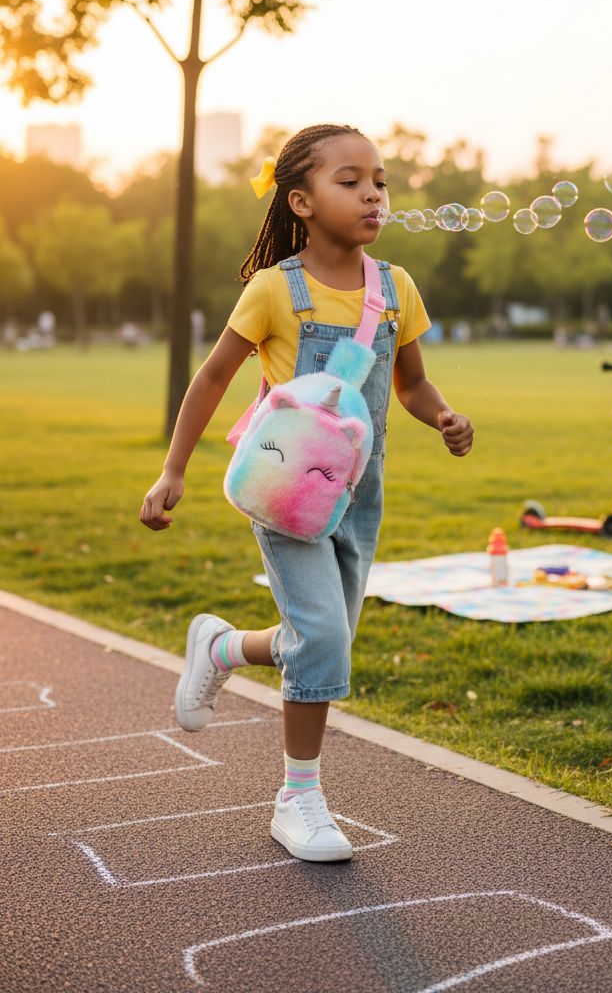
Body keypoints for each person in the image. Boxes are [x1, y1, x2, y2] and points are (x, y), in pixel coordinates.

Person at [140, 124, 474, 863]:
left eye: (379, 181)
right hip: (285, 483)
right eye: (350, 181)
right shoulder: (274, 289)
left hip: (360, 492)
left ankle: (222, 646)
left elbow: (410, 384)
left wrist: (443, 416)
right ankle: (299, 798)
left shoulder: (395, 288)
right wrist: (173, 470)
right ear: (301, 200)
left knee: (321, 639)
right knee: (322, 638)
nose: (373, 194)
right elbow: (213, 379)